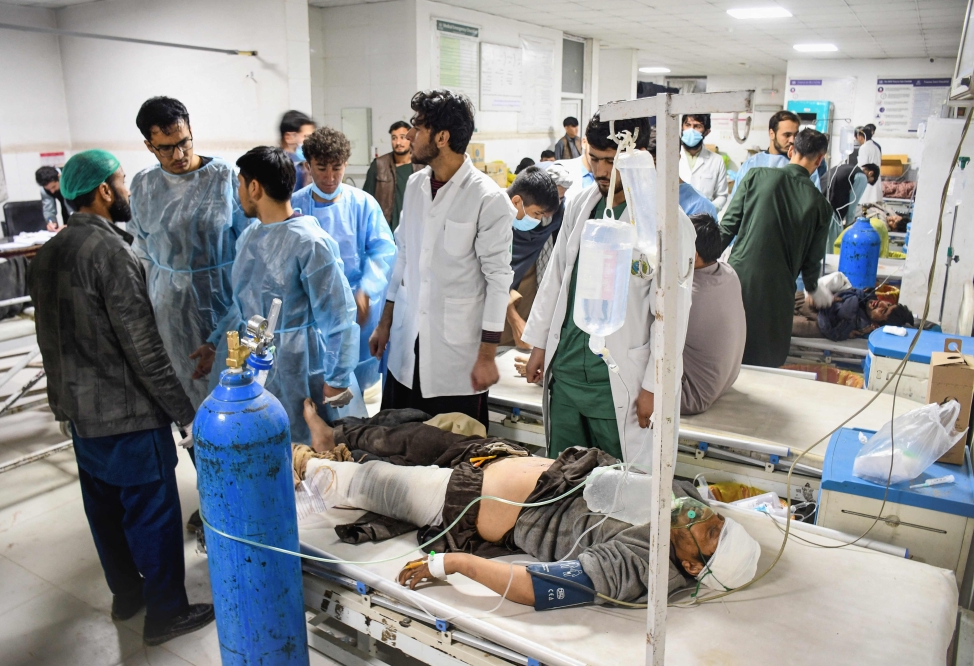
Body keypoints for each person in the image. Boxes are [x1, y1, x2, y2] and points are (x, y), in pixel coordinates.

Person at [295, 403, 762, 609]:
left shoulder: (639, 566)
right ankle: (334, 435)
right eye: (716, 520)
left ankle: (304, 463)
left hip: (466, 500)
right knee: (408, 436)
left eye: (710, 531)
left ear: (691, 565)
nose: (702, 516)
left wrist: (451, 564)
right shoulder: (682, 507)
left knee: (351, 482)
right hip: (504, 458)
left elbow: (540, 587)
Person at [27, 150, 214, 645]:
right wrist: (184, 414)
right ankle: (167, 613)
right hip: (127, 415)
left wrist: (61, 404)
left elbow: (48, 339)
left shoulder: (47, 253)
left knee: (105, 513)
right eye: (122, 181)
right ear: (104, 191)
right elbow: (144, 348)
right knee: (151, 513)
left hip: (80, 414)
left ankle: (127, 595)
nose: (128, 190)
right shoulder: (111, 253)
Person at [522, 111, 696, 465]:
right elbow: (557, 276)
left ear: (636, 157)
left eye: (610, 161)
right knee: (562, 476)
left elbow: (671, 317)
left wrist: (654, 387)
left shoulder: (667, 223)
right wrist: (539, 344)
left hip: (618, 380)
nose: (602, 171)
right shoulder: (581, 205)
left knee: (618, 483)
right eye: (595, 159)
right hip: (568, 369)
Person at [370, 90, 514, 429]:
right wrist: (385, 322)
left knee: (452, 449)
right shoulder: (416, 186)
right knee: (396, 441)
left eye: (418, 128)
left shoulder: (487, 198)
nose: (410, 136)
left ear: (442, 138)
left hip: (457, 359)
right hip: (407, 346)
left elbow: (498, 282)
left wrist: (487, 355)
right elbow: (403, 255)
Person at [208, 146, 363, 443]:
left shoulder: (311, 242)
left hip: (302, 369)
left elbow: (339, 317)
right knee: (266, 446)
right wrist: (215, 343)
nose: (238, 193)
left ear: (254, 187)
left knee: (309, 453)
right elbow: (240, 307)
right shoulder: (249, 237)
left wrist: (337, 379)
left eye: (240, 184)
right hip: (256, 366)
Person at [128, 96, 251, 412]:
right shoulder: (144, 185)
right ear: (149, 146)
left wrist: (233, 322)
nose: (179, 155)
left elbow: (251, 249)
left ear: (191, 131)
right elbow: (141, 250)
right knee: (189, 402)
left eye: (184, 142)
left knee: (235, 401)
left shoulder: (224, 177)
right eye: (166, 148)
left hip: (226, 306)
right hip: (170, 314)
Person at [291, 127, 397, 392]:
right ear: (308, 166)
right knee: (318, 383)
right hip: (313, 310)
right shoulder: (295, 206)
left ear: (345, 164)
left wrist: (366, 289)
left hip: (357, 309)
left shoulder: (363, 204)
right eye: (321, 168)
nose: (330, 177)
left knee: (356, 385)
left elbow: (383, 251)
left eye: (337, 168)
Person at [720, 129, 834, 367]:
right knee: (766, 359)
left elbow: (727, 228)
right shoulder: (821, 207)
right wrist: (814, 289)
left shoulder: (756, 176)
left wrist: (698, 263)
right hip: (778, 292)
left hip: (740, 280)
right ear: (820, 160)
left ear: (791, 150)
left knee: (728, 350)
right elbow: (811, 264)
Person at [681, 214, 745, 415]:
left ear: (693, 255)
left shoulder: (688, 296)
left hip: (691, 396)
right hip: (724, 381)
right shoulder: (729, 273)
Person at [501, 166, 561, 349]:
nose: (539, 220)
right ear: (517, 201)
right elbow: (487, 275)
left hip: (514, 315)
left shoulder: (544, 226)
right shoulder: (488, 220)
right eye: (536, 214)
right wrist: (514, 319)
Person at [731, 111, 821, 192]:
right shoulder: (751, 164)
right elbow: (737, 199)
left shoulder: (805, 165)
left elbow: (815, 200)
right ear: (772, 134)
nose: (792, 140)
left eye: (795, 135)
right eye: (787, 135)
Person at [793, 285, 914, 341]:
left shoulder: (850, 327)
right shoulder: (858, 294)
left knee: (789, 325)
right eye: (887, 304)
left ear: (876, 326)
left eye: (883, 311)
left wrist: (846, 332)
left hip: (823, 323)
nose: (880, 304)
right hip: (812, 301)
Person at [362, 120, 420, 232]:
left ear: (410, 138)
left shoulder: (421, 166)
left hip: (413, 228)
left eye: (402, 137)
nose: (398, 142)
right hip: (385, 229)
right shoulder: (379, 165)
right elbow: (366, 200)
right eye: (394, 138)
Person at [649, 144, 717, 222]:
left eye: (656, 163)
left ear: (677, 157)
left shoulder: (701, 206)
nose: (652, 170)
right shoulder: (642, 196)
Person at [678, 114, 728, 211]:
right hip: (676, 215)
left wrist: (708, 210)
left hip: (704, 216)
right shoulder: (672, 157)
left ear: (707, 132)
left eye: (697, 126)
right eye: (687, 125)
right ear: (681, 127)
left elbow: (721, 195)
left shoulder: (717, 160)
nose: (691, 130)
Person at [279, 109, 316, 191]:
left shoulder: (302, 166)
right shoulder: (282, 169)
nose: (312, 141)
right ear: (289, 137)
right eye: (306, 137)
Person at [856, 126, 883, 205]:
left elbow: (862, 167)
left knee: (865, 206)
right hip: (876, 182)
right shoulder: (876, 147)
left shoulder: (864, 148)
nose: (857, 140)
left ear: (861, 137)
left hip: (868, 183)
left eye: (857, 137)